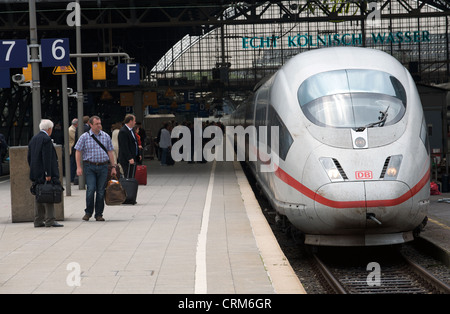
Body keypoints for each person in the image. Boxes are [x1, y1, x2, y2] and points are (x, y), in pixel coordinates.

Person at [74, 116, 116, 222]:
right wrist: (78, 167)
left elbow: (110, 151)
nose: (99, 125)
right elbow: (78, 151)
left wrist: (113, 166)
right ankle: (88, 212)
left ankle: (99, 214)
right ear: (91, 125)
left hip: (103, 166)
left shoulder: (106, 136)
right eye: (97, 124)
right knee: (91, 189)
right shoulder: (84, 137)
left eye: (100, 123)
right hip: (90, 166)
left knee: (101, 191)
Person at [27, 119, 63, 228]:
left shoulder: (34, 139)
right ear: (49, 129)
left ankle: (38, 220)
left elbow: (29, 157)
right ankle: (50, 220)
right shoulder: (46, 139)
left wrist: (33, 169)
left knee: (39, 195)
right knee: (48, 194)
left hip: (35, 172)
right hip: (45, 173)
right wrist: (48, 173)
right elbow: (46, 158)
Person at [68, 118, 78, 182]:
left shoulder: (73, 129)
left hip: (73, 147)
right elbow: (75, 137)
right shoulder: (71, 130)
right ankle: (71, 178)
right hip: (72, 148)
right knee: (73, 164)